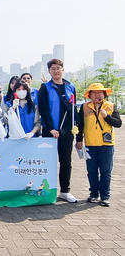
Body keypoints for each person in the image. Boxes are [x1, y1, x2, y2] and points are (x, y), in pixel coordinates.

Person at [38, 59, 79, 203]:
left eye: (58, 68)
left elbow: (73, 108)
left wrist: (75, 127)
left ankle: (65, 191)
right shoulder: (45, 87)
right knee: (47, 162)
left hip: (67, 130)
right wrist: (51, 128)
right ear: (49, 71)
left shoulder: (70, 86)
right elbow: (43, 110)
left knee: (66, 161)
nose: (56, 71)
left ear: (63, 70)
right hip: (50, 131)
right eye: (53, 69)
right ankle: (45, 190)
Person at [76, 83, 122, 207]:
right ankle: (94, 194)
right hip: (90, 144)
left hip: (107, 145)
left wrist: (106, 116)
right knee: (91, 171)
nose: (97, 95)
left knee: (106, 171)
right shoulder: (85, 107)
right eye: (94, 93)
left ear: (104, 94)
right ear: (89, 95)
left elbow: (118, 123)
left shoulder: (110, 106)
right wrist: (79, 140)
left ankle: (105, 196)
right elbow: (80, 125)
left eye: (100, 93)